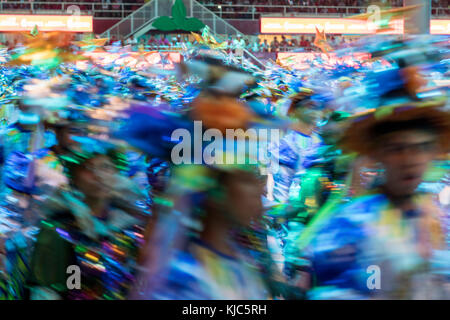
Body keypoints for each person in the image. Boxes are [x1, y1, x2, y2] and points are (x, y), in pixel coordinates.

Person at [306, 71, 450, 299]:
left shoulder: (435, 213)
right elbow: (339, 289)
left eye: (421, 147)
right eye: (397, 149)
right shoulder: (350, 222)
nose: (410, 160)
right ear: (378, 154)